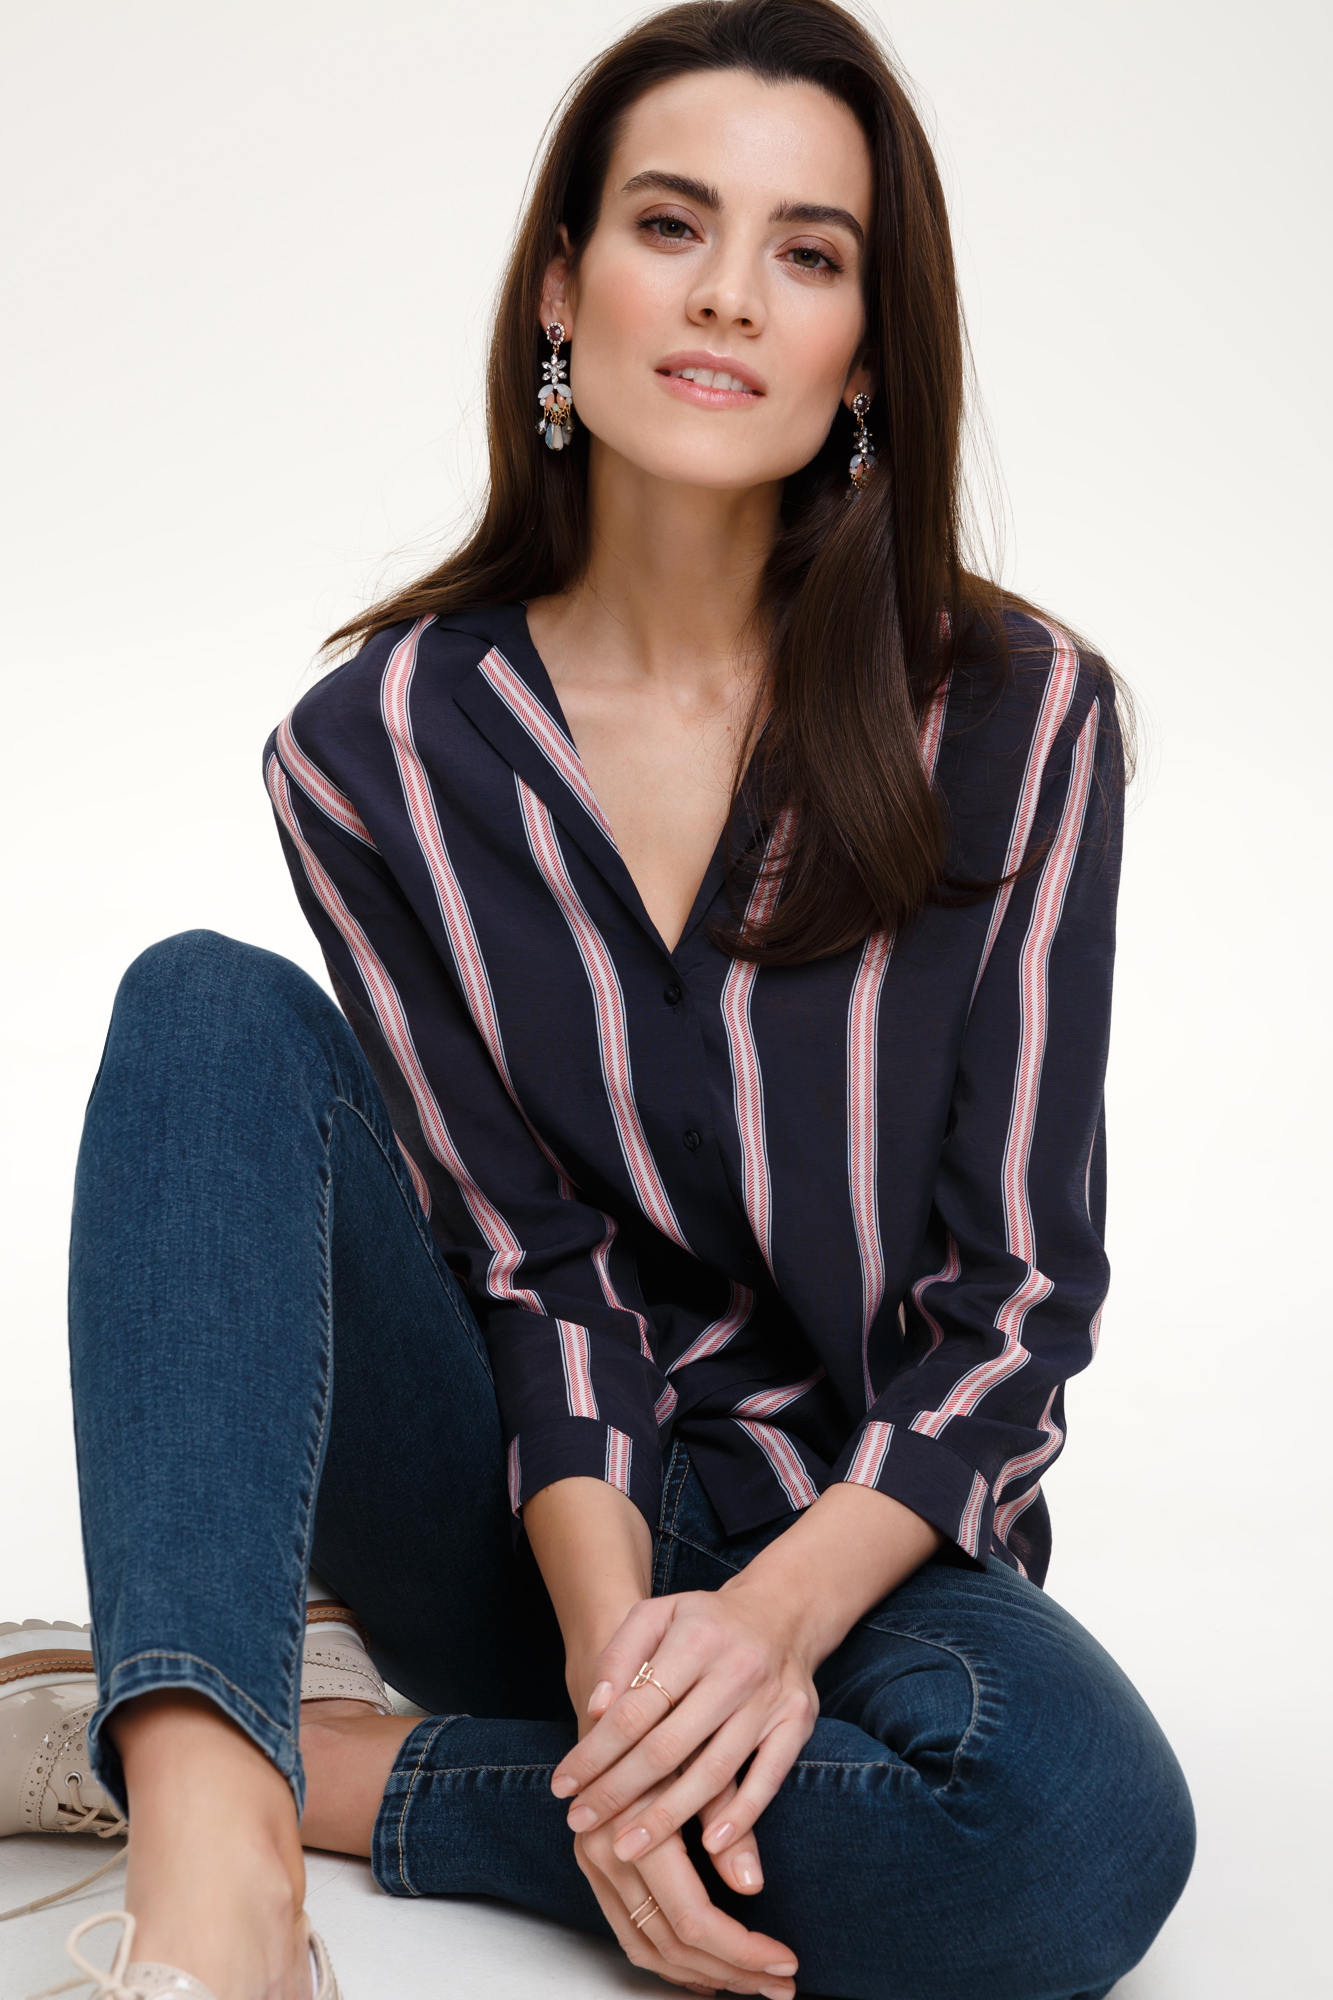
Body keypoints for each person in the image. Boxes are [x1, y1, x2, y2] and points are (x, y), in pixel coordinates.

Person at [1, 3, 1195, 1996]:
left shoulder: (1014, 715)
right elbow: (527, 1265)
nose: (728, 294)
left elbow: (1014, 1303)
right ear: (561, 289)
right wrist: (614, 1658)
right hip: (521, 1519)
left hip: (861, 1538)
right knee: (203, 1010)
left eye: (807, 252)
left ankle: (275, 1749)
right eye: (669, 224)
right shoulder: (373, 750)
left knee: (1065, 1837)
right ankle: (214, 1882)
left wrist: (762, 1631)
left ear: (865, 350)